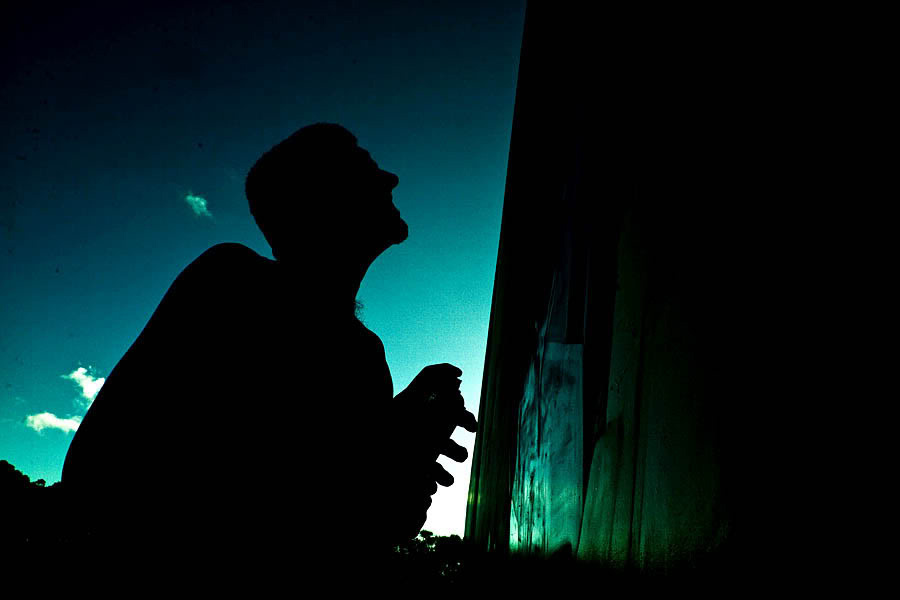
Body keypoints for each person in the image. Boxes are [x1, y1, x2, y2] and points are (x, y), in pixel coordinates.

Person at [61, 123, 477, 578]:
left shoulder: (366, 354)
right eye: (365, 169)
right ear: (320, 196)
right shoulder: (232, 280)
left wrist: (407, 452)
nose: (390, 178)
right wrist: (384, 445)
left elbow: (376, 525)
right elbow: (95, 472)